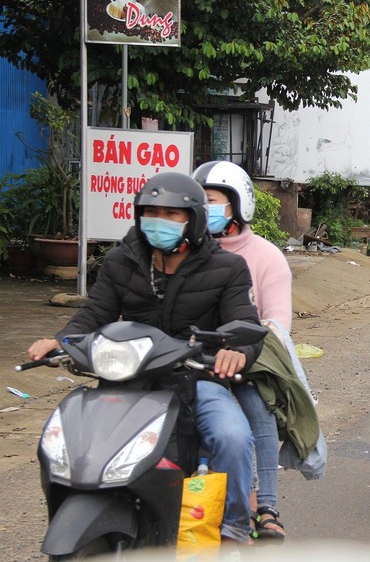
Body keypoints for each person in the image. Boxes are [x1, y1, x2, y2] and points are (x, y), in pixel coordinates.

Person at [27, 172, 263, 547]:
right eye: (151, 212)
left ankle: (233, 528)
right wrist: (60, 341)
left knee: (232, 436)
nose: (159, 221)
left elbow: (244, 322)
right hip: (128, 380)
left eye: (172, 214)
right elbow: (94, 314)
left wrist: (237, 350)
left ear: (195, 220)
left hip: (195, 379)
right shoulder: (122, 260)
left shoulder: (228, 268)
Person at [193, 160, 291, 541]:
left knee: (256, 405)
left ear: (238, 205)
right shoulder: (187, 254)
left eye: (212, 201)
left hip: (250, 360)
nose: (204, 209)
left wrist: (242, 350)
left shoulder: (266, 257)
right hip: (193, 360)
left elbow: (277, 323)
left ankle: (264, 505)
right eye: (197, 202)